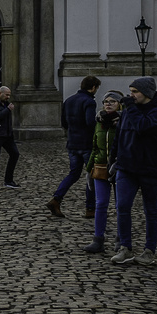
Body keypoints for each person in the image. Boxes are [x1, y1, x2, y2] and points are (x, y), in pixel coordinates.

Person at [111, 76, 157, 266]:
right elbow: (119, 136)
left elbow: (142, 126)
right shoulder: (129, 111)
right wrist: (114, 160)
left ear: (147, 93)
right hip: (127, 168)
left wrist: (131, 108)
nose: (131, 95)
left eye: (135, 92)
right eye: (130, 91)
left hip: (151, 169)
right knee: (122, 207)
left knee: (151, 211)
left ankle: (149, 251)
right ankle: (125, 247)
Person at [48, 75, 100, 218]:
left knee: (73, 174)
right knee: (91, 176)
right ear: (93, 88)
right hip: (86, 145)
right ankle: (90, 209)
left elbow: (64, 123)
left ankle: (56, 198)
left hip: (72, 144)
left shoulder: (69, 100)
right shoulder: (89, 101)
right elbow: (90, 123)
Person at [83, 90, 122, 254]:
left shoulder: (124, 121)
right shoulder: (99, 121)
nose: (108, 103)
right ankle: (98, 239)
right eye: (106, 101)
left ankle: (122, 240)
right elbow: (94, 147)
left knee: (121, 206)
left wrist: (119, 163)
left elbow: (127, 146)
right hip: (100, 167)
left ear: (120, 104)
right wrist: (89, 170)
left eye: (113, 101)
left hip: (120, 168)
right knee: (100, 204)